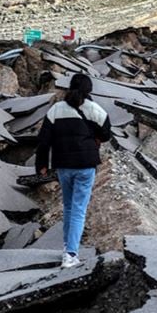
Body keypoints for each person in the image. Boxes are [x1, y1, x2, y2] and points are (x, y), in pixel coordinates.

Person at [36, 74, 112, 269]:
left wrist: (42, 165)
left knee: (69, 207)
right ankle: (71, 254)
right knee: (79, 209)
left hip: (64, 165)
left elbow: (43, 140)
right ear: (89, 90)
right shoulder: (94, 108)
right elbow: (106, 133)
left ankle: (67, 247)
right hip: (86, 166)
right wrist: (95, 137)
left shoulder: (56, 110)